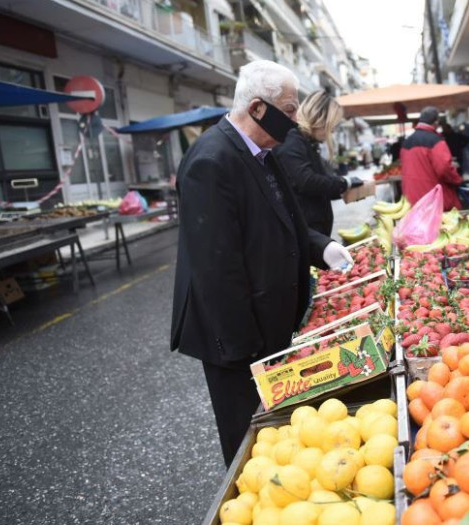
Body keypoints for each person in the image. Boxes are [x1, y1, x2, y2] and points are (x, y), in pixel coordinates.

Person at [170, 60, 354, 466]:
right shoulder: (211, 161)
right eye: (289, 110)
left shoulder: (262, 153)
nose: (295, 119)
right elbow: (216, 268)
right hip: (235, 337)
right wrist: (248, 350)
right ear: (257, 108)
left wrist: (321, 247)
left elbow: (286, 219)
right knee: (249, 444)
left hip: (266, 326)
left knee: (275, 438)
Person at [274, 91, 362, 237]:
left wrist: (346, 190)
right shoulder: (292, 139)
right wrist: (345, 183)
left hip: (314, 231)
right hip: (304, 233)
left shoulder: (305, 142)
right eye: (332, 125)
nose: (332, 131)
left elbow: (318, 187)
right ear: (320, 119)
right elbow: (306, 181)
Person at [400, 106, 464, 211]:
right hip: (433, 201)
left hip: (411, 200)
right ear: (436, 122)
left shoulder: (406, 143)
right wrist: (458, 180)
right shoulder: (436, 141)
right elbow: (444, 169)